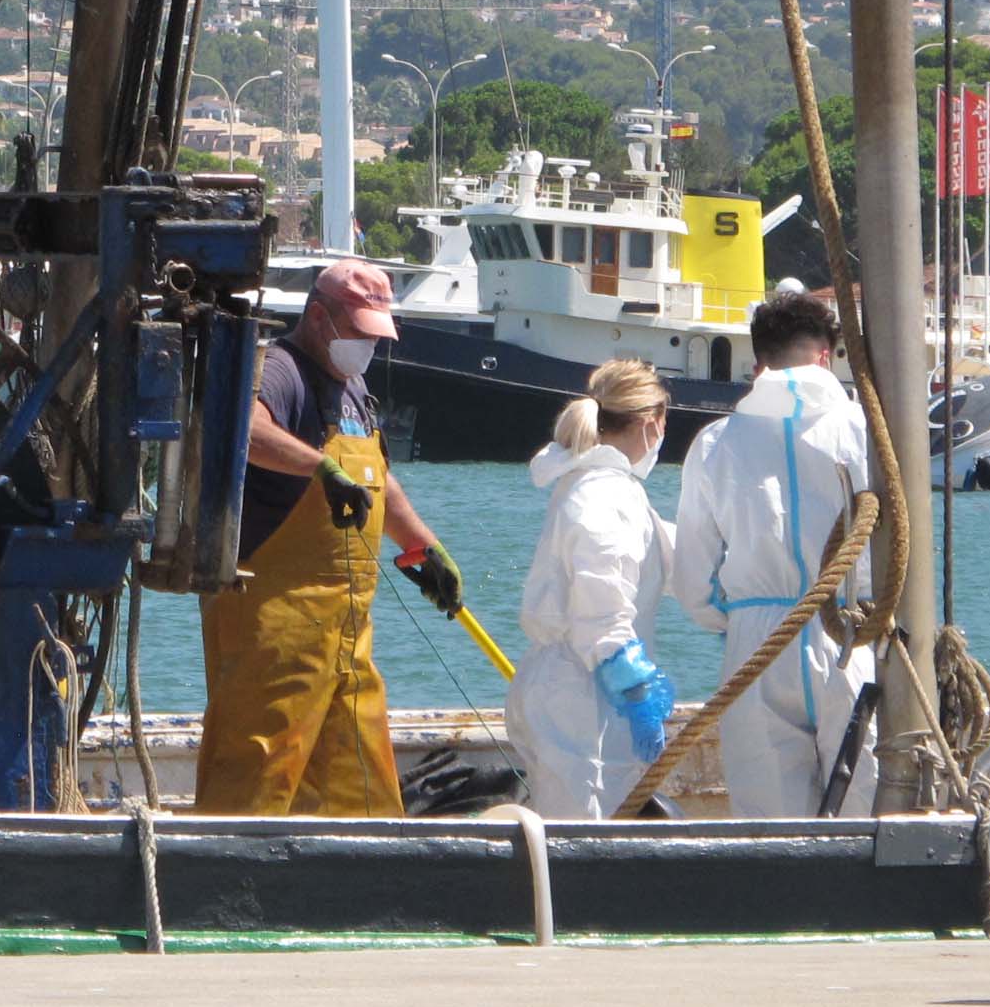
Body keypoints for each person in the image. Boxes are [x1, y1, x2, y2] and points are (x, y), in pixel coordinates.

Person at [194, 258, 460, 816]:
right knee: (259, 770)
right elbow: (245, 429)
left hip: (346, 629)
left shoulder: (354, 389)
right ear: (318, 317)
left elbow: (378, 478)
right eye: (358, 332)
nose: (367, 346)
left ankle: (359, 887)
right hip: (275, 623)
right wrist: (321, 469)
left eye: (374, 336)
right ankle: (223, 885)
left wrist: (423, 547)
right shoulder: (283, 370)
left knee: (362, 780)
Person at [673, 289, 876, 819]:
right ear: (826, 356)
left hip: (756, 641)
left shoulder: (717, 442)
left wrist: (737, 615)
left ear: (758, 362)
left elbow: (693, 579)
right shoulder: (867, 432)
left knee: (772, 825)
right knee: (869, 816)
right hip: (851, 629)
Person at [506, 359, 678, 819]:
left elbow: (659, 552)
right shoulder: (607, 495)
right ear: (650, 423)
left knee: (586, 825)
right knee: (581, 835)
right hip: (585, 696)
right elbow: (601, 610)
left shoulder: (596, 486)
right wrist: (638, 691)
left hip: (572, 688)